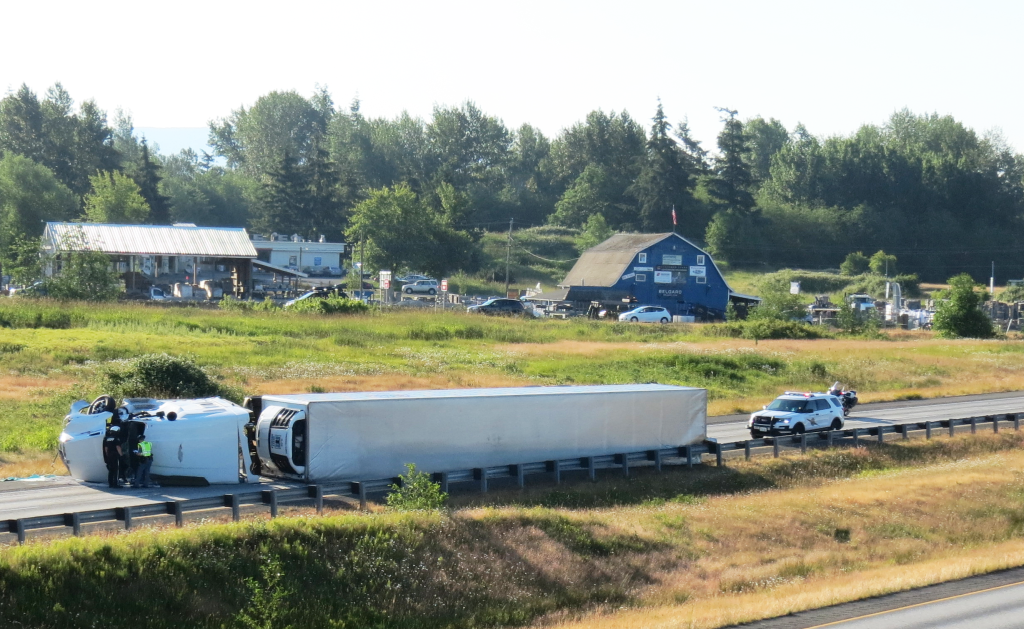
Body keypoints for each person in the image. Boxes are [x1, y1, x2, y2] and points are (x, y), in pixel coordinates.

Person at [102, 423, 124, 488]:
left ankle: (110, 483)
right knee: (116, 470)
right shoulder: (116, 438)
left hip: (109, 455)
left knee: (111, 470)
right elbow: (118, 447)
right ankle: (115, 484)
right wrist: (121, 455)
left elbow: (106, 448)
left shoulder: (106, 438)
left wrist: (107, 455)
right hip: (115, 455)